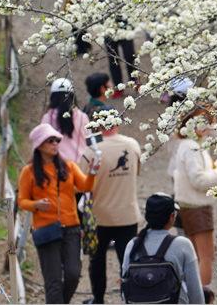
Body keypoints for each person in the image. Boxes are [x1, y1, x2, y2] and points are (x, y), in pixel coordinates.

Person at [18, 123, 99, 304]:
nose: (55, 144)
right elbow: (21, 200)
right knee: (53, 281)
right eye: (50, 141)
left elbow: (86, 186)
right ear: (39, 145)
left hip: (71, 227)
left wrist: (92, 172)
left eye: (57, 140)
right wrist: (36, 205)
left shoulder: (69, 166)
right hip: (46, 229)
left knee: (73, 273)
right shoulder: (29, 172)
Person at [86, 106, 143, 304]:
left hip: (99, 216)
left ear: (96, 124)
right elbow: (137, 173)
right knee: (128, 262)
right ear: (117, 122)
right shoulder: (132, 145)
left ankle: (98, 299)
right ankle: (130, 299)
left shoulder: (91, 149)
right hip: (127, 214)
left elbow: (82, 183)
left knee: (96, 262)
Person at [171, 106, 217, 297]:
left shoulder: (193, 144)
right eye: (198, 121)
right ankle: (203, 298)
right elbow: (200, 181)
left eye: (206, 120)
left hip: (190, 206)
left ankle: (195, 296)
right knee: (206, 256)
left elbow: (202, 172)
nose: (204, 125)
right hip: (196, 207)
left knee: (195, 256)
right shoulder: (191, 146)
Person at [121, 193, 205, 304]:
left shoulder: (133, 245)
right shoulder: (182, 245)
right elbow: (195, 291)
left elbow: (125, 292)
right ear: (171, 217)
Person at [42, 78, 91, 167]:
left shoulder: (48, 118)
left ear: (53, 97)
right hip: (81, 166)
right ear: (72, 96)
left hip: (58, 166)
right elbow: (89, 141)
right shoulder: (82, 117)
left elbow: (43, 142)